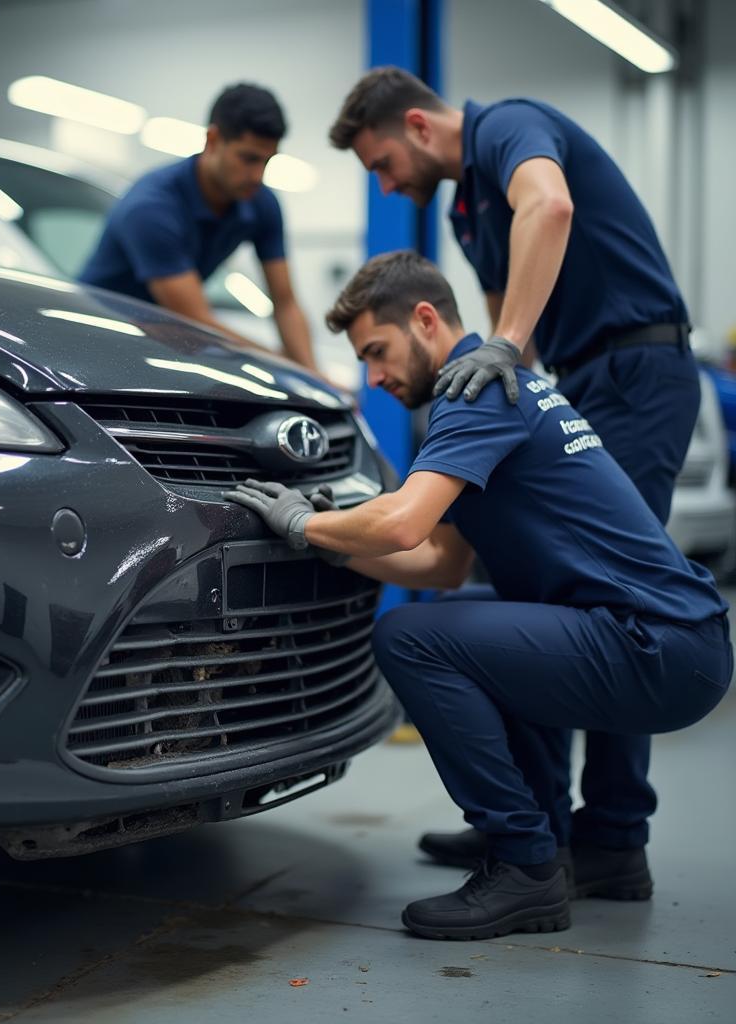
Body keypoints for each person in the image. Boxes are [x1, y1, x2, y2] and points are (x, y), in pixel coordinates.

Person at [223, 251, 730, 941]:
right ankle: (584, 847)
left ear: (426, 320)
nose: (373, 376)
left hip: (656, 647)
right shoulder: (505, 388)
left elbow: (403, 523)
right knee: (485, 619)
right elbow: (441, 565)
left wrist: (300, 523)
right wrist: (339, 543)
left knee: (411, 639)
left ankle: (525, 864)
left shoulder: (472, 393)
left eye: (378, 351)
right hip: (676, 642)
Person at [328, 68, 702, 885]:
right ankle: (536, 823)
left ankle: (611, 835)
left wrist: (502, 351)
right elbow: (508, 331)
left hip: (636, 366)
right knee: (534, 593)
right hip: (572, 373)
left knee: (608, 595)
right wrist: (495, 418)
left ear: (419, 126)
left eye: (383, 163)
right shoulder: (468, 210)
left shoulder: (507, 129)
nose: (389, 185)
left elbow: (552, 208)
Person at [80, 83, 319, 372]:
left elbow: (286, 303)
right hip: (96, 338)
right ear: (213, 140)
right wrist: (280, 363)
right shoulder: (151, 207)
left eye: (267, 161)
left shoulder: (261, 202)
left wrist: (315, 375)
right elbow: (195, 322)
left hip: (164, 334)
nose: (258, 175)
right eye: (248, 159)